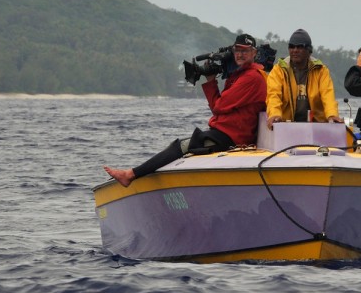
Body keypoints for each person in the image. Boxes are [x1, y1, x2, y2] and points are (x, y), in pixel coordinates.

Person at [103, 34, 267, 187]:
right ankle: (139, 173)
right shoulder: (241, 75)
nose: (240, 54)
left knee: (180, 146)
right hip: (226, 132)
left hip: (230, 136)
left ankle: (130, 175)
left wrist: (210, 80)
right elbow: (218, 108)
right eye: (237, 50)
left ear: (254, 53)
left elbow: (218, 107)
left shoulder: (251, 77)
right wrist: (211, 79)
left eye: (245, 51)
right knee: (180, 146)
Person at [265, 28, 343, 128]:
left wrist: (332, 115)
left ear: (309, 51)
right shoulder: (278, 70)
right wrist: (275, 115)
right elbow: (273, 96)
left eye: (300, 47)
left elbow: (327, 95)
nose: (295, 50)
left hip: (316, 127)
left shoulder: (321, 71)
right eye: (292, 47)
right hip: (286, 128)